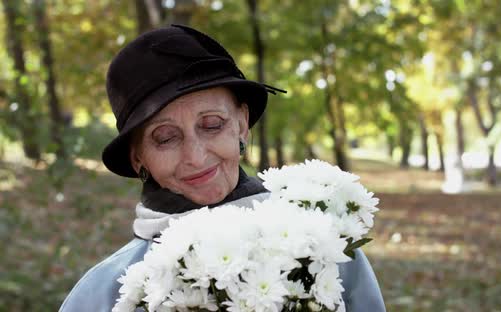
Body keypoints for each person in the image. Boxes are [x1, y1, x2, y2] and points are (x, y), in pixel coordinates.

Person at [59, 24, 386, 312]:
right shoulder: (105, 294)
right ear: (138, 158)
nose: (196, 157)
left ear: (242, 126)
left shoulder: (324, 249)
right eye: (166, 138)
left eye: (212, 125)